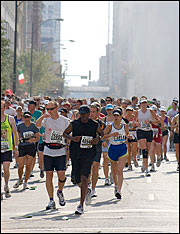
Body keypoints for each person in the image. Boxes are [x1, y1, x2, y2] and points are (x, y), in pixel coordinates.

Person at [63, 105, 103, 215]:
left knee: (84, 177)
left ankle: (81, 205)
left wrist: (97, 139)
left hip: (88, 153)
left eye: (85, 114)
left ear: (88, 114)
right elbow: (64, 133)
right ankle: (86, 191)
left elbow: (101, 133)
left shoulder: (94, 124)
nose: (83, 116)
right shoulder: (74, 124)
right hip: (76, 153)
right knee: (77, 179)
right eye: (81, 114)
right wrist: (72, 138)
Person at [36, 101, 70, 210]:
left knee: (61, 175)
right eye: (47, 109)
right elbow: (37, 125)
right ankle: (51, 200)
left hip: (60, 150)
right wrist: (42, 116)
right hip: (48, 150)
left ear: (57, 108)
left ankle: (60, 191)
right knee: (49, 175)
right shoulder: (46, 120)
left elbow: (70, 134)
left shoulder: (64, 121)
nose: (49, 111)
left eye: (51, 109)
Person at [103, 108, 130, 199]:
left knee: (120, 170)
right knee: (114, 172)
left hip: (122, 148)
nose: (116, 117)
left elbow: (127, 134)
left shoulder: (124, 125)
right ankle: (115, 185)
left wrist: (127, 138)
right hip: (113, 148)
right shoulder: (110, 126)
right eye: (114, 115)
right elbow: (103, 136)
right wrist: (111, 135)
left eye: (117, 115)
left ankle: (119, 190)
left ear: (121, 116)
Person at [13, 111, 40, 190]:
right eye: (25, 117)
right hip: (22, 147)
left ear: (30, 118)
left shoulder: (34, 126)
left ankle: (25, 182)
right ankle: (20, 179)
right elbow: (17, 136)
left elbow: (37, 137)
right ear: (23, 118)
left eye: (28, 117)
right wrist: (16, 147)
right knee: (20, 166)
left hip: (31, 147)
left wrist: (33, 140)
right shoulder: (20, 126)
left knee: (28, 166)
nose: (26, 119)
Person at [134, 98, 160, 177]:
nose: (144, 104)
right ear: (140, 105)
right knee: (144, 150)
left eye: (145, 103)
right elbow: (134, 122)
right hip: (140, 131)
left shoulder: (150, 111)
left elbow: (157, 120)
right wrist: (136, 123)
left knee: (148, 150)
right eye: (142, 103)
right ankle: (146, 169)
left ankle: (144, 164)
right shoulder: (137, 112)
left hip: (149, 131)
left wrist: (150, 122)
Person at [1, 100, 19, 200]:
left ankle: (6, 185)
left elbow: (15, 133)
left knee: (6, 169)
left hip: (7, 148)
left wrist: (16, 146)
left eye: (2, 108)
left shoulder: (10, 119)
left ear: (5, 108)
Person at [89, 102, 106, 198]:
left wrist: (104, 140)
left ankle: (93, 188)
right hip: (86, 148)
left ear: (98, 113)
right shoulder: (85, 122)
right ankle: (87, 185)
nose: (91, 114)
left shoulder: (101, 124)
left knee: (95, 167)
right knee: (88, 168)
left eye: (93, 112)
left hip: (97, 147)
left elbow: (104, 134)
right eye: (90, 111)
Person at [101, 104, 114, 185]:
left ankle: (112, 174)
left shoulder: (116, 119)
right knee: (105, 159)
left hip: (114, 141)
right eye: (108, 110)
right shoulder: (103, 119)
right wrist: (104, 140)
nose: (109, 111)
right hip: (106, 141)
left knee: (113, 160)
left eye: (110, 110)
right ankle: (106, 178)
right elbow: (102, 132)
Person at [149, 105, 164, 172]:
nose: (153, 112)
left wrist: (154, 123)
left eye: (154, 111)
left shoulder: (159, 117)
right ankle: (152, 165)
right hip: (151, 134)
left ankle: (159, 157)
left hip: (158, 134)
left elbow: (162, 126)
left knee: (157, 150)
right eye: (152, 111)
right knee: (151, 150)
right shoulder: (148, 117)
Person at [125, 106, 139, 170]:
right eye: (127, 110)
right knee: (128, 150)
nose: (129, 112)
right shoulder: (125, 118)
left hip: (134, 133)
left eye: (130, 110)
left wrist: (134, 126)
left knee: (134, 149)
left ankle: (134, 158)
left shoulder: (134, 117)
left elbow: (138, 124)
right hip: (128, 134)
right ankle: (129, 164)